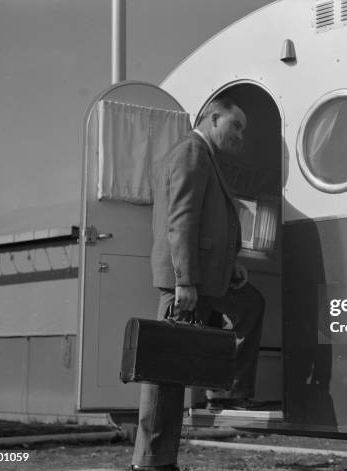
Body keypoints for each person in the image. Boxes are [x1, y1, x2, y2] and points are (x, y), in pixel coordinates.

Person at [130, 97, 265, 471]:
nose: (239, 135)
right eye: (235, 126)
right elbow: (182, 219)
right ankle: (151, 462)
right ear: (213, 117)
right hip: (189, 281)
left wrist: (231, 263)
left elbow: (208, 223)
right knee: (166, 374)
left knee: (250, 305)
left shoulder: (205, 156)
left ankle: (225, 392)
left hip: (210, 276)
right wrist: (184, 280)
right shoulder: (192, 152)